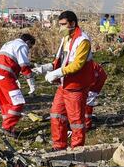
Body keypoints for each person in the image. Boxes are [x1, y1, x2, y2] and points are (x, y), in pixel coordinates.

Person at [35, 10, 95, 150]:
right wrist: (47, 67)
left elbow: (77, 64)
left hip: (76, 86)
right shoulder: (66, 39)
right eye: (60, 24)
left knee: (76, 121)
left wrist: (57, 73)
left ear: (72, 23)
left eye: (63, 24)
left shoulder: (83, 40)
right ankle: (59, 146)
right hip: (65, 84)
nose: (61, 28)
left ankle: (77, 149)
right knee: (56, 114)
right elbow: (62, 60)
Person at [0, 34, 36, 136]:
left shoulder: (9, 44)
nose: (28, 50)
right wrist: (32, 84)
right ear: (28, 42)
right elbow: (24, 66)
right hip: (6, 77)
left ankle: (9, 127)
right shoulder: (22, 46)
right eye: (30, 47)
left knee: (6, 103)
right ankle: (7, 127)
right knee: (18, 102)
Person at [86, 61, 107, 130]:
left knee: (88, 102)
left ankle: (87, 124)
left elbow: (93, 79)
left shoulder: (89, 67)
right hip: (95, 79)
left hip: (95, 82)